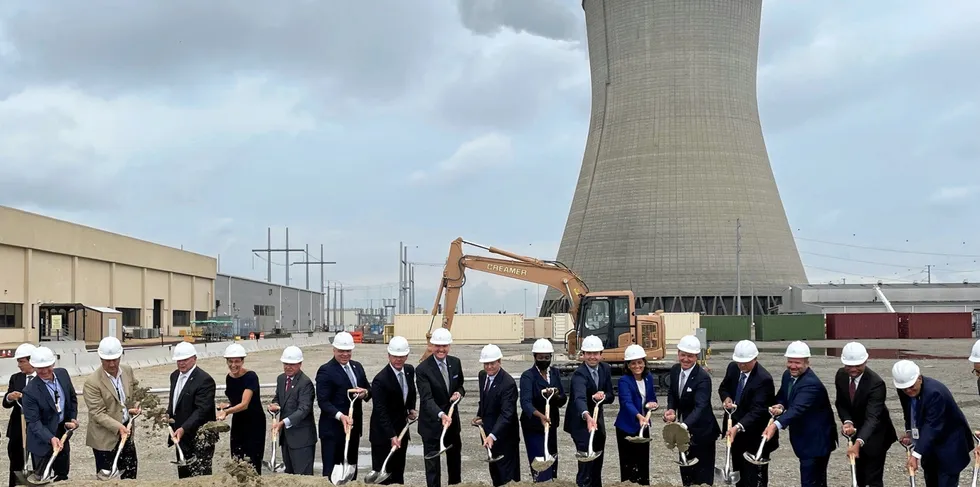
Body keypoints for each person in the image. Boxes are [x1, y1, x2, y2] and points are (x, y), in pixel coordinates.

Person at [764, 341, 836, 487]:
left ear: (807, 362)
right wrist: (780, 405)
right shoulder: (788, 376)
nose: (792, 366)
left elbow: (797, 408)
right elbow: (784, 396)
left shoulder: (811, 384)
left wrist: (775, 426)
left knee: (811, 481)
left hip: (816, 441)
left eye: (797, 362)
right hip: (804, 438)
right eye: (790, 362)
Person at [893, 359, 972, 487]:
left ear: (919, 378)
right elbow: (909, 412)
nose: (908, 391)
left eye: (911, 387)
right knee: (931, 481)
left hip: (949, 446)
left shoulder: (935, 393)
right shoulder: (904, 388)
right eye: (904, 389)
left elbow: (932, 425)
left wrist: (915, 455)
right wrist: (910, 432)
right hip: (929, 447)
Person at [833, 342, 897, 487]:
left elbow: (872, 418)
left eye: (858, 365)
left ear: (865, 361)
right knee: (858, 474)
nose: (853, 369)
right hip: (856, 431)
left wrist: (858, 443)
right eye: (849, 365)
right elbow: (841, 403)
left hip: (877, 435)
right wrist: (847, 421)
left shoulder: (876, 383)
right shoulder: (841, 375)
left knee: (872, 478)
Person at [718, 339, 779, 487]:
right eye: (739, 362)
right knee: (739, 474)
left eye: (745, 362)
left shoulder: (764, 379)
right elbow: (723, 387)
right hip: (735, 434)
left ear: (755, 359)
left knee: (754, 477)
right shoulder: (733, 368)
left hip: (755, 436)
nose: (742, 365)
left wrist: (738, 427)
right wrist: (726, 398)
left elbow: (758, 411)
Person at [664, 335, 719, 487]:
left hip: (703, 433)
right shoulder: (675, 370)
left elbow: (700, 407)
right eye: (683, 355)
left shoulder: (703, 378)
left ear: (696, 356)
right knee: (686, 471)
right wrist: (671, 409)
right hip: (684, 431)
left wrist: (683, 426)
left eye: (690, 356)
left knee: (702, 477)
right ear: (678, 353)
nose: (686, 359)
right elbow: (672, 393)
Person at [315, 331, 371, 479]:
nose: (345, 354)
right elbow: (323, 402)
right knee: (332, 472)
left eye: (348, 351)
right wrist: (341, 416)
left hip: (353, 428)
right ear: (334, 350)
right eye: (341, 351)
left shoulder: (357, 367)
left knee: (351, 469)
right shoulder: (326, 371)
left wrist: (364, 393)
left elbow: (367, 389)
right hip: (333, 431)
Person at [83, 337, 141, 479]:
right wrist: (119, 427)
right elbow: (98, 413)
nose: (112, 363)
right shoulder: (92, 382)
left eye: (115, 359)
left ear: (120, 356)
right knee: (107, 479)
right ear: (100, 358)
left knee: (130, 474)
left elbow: (137, 392)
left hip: (127, 432)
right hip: (104, 438)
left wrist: (136, 405)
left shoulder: (127, 371)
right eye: (107, 360)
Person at [415, 327, 466, 487]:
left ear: (449, 346)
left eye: (444, 346)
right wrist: (441, 415)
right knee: (432, 469)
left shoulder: (455, 362)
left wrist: (459, 393)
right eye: (438, 346)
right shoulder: (422, 369)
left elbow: (460, 386)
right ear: (432, 345)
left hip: (452, 424)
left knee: (454, 463)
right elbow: (427, 399)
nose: (441, 349)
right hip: (431, 425)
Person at [564, 335, 615, 487]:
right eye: (588, 353)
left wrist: (603, 396)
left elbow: (611, 395)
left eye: (595, 353)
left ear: (601, 354)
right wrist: (587, 416)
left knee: (597, 462)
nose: (592, 357)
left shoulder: (605, 369)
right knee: (586, 463)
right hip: (580, 424)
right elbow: (579, 398)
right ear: (583, 355)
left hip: (597, 422)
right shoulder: (579, 374)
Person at [22, 346, 79, 481]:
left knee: (62, 476)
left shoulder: (63, 375)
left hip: (62, 433)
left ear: (53, 363)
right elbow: (34, 422)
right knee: (42, 478)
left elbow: (72, 398)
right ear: (34, 367)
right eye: (40, 368)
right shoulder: (29, 392)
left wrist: (72, 418)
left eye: (47, 366)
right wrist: (50, 438)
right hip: (41, 439)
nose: (44, 371)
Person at [369, 336, 417, 485]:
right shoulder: (380, 380)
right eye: (395, 356)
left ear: (406, 356)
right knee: (384, 476)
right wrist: (391, 435)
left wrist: (410, 408)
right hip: (383, 435)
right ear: (389, 355)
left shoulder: (409, 370)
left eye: (402, 356)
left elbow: (411, 392)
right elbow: (380, 411)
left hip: (401, 431)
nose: (398, 359)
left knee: (398, 472)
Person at [166, 341, 217, 478]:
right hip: (180, 437)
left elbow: (202, 411)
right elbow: (174, 401)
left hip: (199, 437)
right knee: (184, 475)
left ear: (194, 358)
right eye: (178, 360)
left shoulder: (205, 380)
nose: (181, 363)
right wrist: (167, 415)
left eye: (185, 360)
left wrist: (184, 428)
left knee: (201, 476)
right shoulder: (174, 376)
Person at [519, 338, 566, 482]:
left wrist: (556, 395)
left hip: (551, 425)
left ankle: (552, 482)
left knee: (551, 460)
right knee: (540, 462)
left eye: (547, 357)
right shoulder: (528, 376)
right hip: (533, 425)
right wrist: (539, 415)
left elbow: (563, 399)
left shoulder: (555, 373)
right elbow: (525, 403)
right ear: (534, 357)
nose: (544, 360)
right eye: (540, 357)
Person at [474, 344, 520, 486]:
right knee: (495, 474)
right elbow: (485, 400)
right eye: (486, 364)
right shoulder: (483, 376)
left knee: (507, 477)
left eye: (492, 363)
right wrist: (479, 415)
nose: (489, 367)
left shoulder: (508, 384)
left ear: (499, 361)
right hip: (489, 434)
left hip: (505, 437)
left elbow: (507, 414)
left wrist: (493, 435)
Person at [216, 343, 265, 474]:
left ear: (242, 361)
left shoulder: (251, 377)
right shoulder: (229, 378)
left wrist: (226, 411)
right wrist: (226, 406)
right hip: (238, 421)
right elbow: (235, 401)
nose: (233, 365)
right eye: (230, 361)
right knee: (236, 459)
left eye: (237, 361)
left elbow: (244, 404)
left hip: (254, 423)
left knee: (252, 461)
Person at [614, 344, 658, 485]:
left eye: (640, 362)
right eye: (633, 363)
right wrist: (639, 416)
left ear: (644, 363)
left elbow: (651, 398)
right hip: (627, 426)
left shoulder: (648, 378)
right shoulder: (624, 381)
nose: (637, 366)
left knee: (643, 462)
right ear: (628, 365)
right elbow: (626, 402)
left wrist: (653, 404)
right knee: (628, 463)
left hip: (643, 426)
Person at [270, 345, 317, 475]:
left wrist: (283, 422)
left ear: (300, 364)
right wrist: (274, 404)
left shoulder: (305, 383)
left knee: (303, 478)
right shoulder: (281, 379)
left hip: (302, 440)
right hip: (286, 439)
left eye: (292, 364)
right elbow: (278, 398)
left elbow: (304, 409)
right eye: (285, 363)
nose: (288, 367)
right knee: (289, 476)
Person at [3, 343, 36, 487]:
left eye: (22, 361)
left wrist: (24, 397)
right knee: (16, 464)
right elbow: (6, 404)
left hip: (37, 429)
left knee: (39, 463)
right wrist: (10, 396)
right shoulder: (16, 378)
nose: (19, 365)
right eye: (18, 361)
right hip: (17, 429)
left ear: (32, 361)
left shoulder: (43, 378)